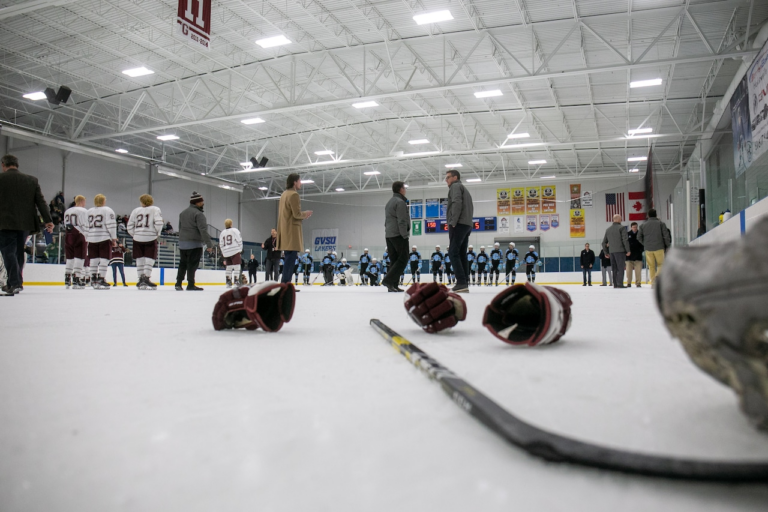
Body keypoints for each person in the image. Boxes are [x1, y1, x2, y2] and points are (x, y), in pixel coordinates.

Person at [0, 154, 54, 295]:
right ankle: (15, 282)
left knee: (8, 252)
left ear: (3, 165)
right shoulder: (31, 180)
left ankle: (15, 282)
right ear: (17, 165)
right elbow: (41, 202)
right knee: (18, 251)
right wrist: (48, 220)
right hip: (25, 223)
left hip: (5, 222)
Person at [276, 173, 313, 288]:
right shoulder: (294, 195)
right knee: (290, 259)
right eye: (299, 181)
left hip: (284, 229)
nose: (300, 183)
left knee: (288, 257)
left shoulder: (284, 194)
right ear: (294, 182)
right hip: (292, 230)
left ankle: (284, 282)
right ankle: (286, 284)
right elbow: (296, 214)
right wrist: (305, 214)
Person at [176, 191, 215, 291]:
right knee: (192, 264)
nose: (203, 203)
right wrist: (209, 244)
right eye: (202, 202)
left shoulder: (182, 213)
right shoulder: (199, 214)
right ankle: (190, 284)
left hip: (183, 243)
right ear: (197, 203)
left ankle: (178, 283)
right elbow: (203, 230)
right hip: (194, 243)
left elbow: (180, 228)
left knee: (183, 263)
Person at [445, 169, 474, 293]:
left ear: (455, 177)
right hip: (466, 224)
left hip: (459, 223)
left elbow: (456, 203)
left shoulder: (455, 187)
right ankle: (464, 282)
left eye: (448, 177)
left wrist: (453, 221)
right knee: (462, 253)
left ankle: (461, 282)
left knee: (453, 252)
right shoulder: (464, 189)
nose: (446, 180)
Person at [127, 194, 163, 290]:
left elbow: (129, 226)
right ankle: (146, 278)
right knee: (150, 258)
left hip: (137, 238)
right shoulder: (155, 209)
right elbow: (159, 223)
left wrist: (135, 234)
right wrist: (157, 233)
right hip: (150, 237)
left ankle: (140, 279)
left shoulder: (135, 210)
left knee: (139, 259)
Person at [382, 181, 410, 293]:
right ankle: (388, 280)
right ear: (401, 189)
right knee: (403, 258)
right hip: (398, 234)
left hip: (389, 235)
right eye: (404, 188)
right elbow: (402, 220)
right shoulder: (400, 202)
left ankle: (393, 285)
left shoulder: (389, 202)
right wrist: (404, 235)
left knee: (394, 260)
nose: (405, 190)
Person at [86, 194, 118, 290]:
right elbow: (111, 225)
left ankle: (93, 279)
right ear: (104, 201)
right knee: (104, 259)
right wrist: (114, 238)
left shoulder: (89, 211)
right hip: (104, 237)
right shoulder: (107, 210)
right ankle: (101, 278)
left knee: (93, 260)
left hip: (91, 238)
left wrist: (87, 236)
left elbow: (85, 226)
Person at [638, 208, 671, 287]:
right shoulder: (661, 224)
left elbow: (639, 237)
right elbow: (666, 236)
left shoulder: (643, 225)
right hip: (659, 247)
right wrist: (668, 246)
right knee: (661, 264)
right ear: (656, 215)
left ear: (648, 215)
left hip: (648, 249)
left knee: (651, 266)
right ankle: (657, 276)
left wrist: (645, 243)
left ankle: (653, 282)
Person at [63, 195, 88, 289]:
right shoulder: (84, 211)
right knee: (80, 257)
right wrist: (87, 235)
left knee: (69, 257)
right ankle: (77, 277)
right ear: (82, 201)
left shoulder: (67, 211)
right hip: (79, 234)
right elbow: (85, 224)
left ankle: (67, 276)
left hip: (68, 234)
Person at [602, 214, 631, 289]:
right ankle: (620, 283)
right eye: (621, 219)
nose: (621, 220)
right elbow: (625, 240)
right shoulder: (621, 228)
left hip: (612, 252)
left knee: (614, 268)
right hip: (620, 251)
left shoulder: (608, 229)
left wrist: (606, 252)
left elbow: (604, 242)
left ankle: (615, 283)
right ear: (618, 219)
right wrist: (628, 250)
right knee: (620, 268)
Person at [220, 219, 243, 288]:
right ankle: (236, 281)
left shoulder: (222, 233)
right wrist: (240, 249)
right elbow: (239, 240)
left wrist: (223, 252)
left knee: (228, 267)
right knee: (237, 266)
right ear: (231, 224)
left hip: (226, 252)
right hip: (234, 250)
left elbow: (221, 244)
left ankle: (228, 281)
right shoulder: (235, 230)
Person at [626, 222, 644, 288]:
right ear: (631, 227)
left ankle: (638, 283)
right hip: (629, 256)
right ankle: (628, 283)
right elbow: (625, 244)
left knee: (638, 271)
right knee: (628, 271)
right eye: (633, 227)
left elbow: (643, 243)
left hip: (638, 255)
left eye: (636, 227)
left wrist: (641, 250)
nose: (635, 228)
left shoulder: (640, 234)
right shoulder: (627, 234)